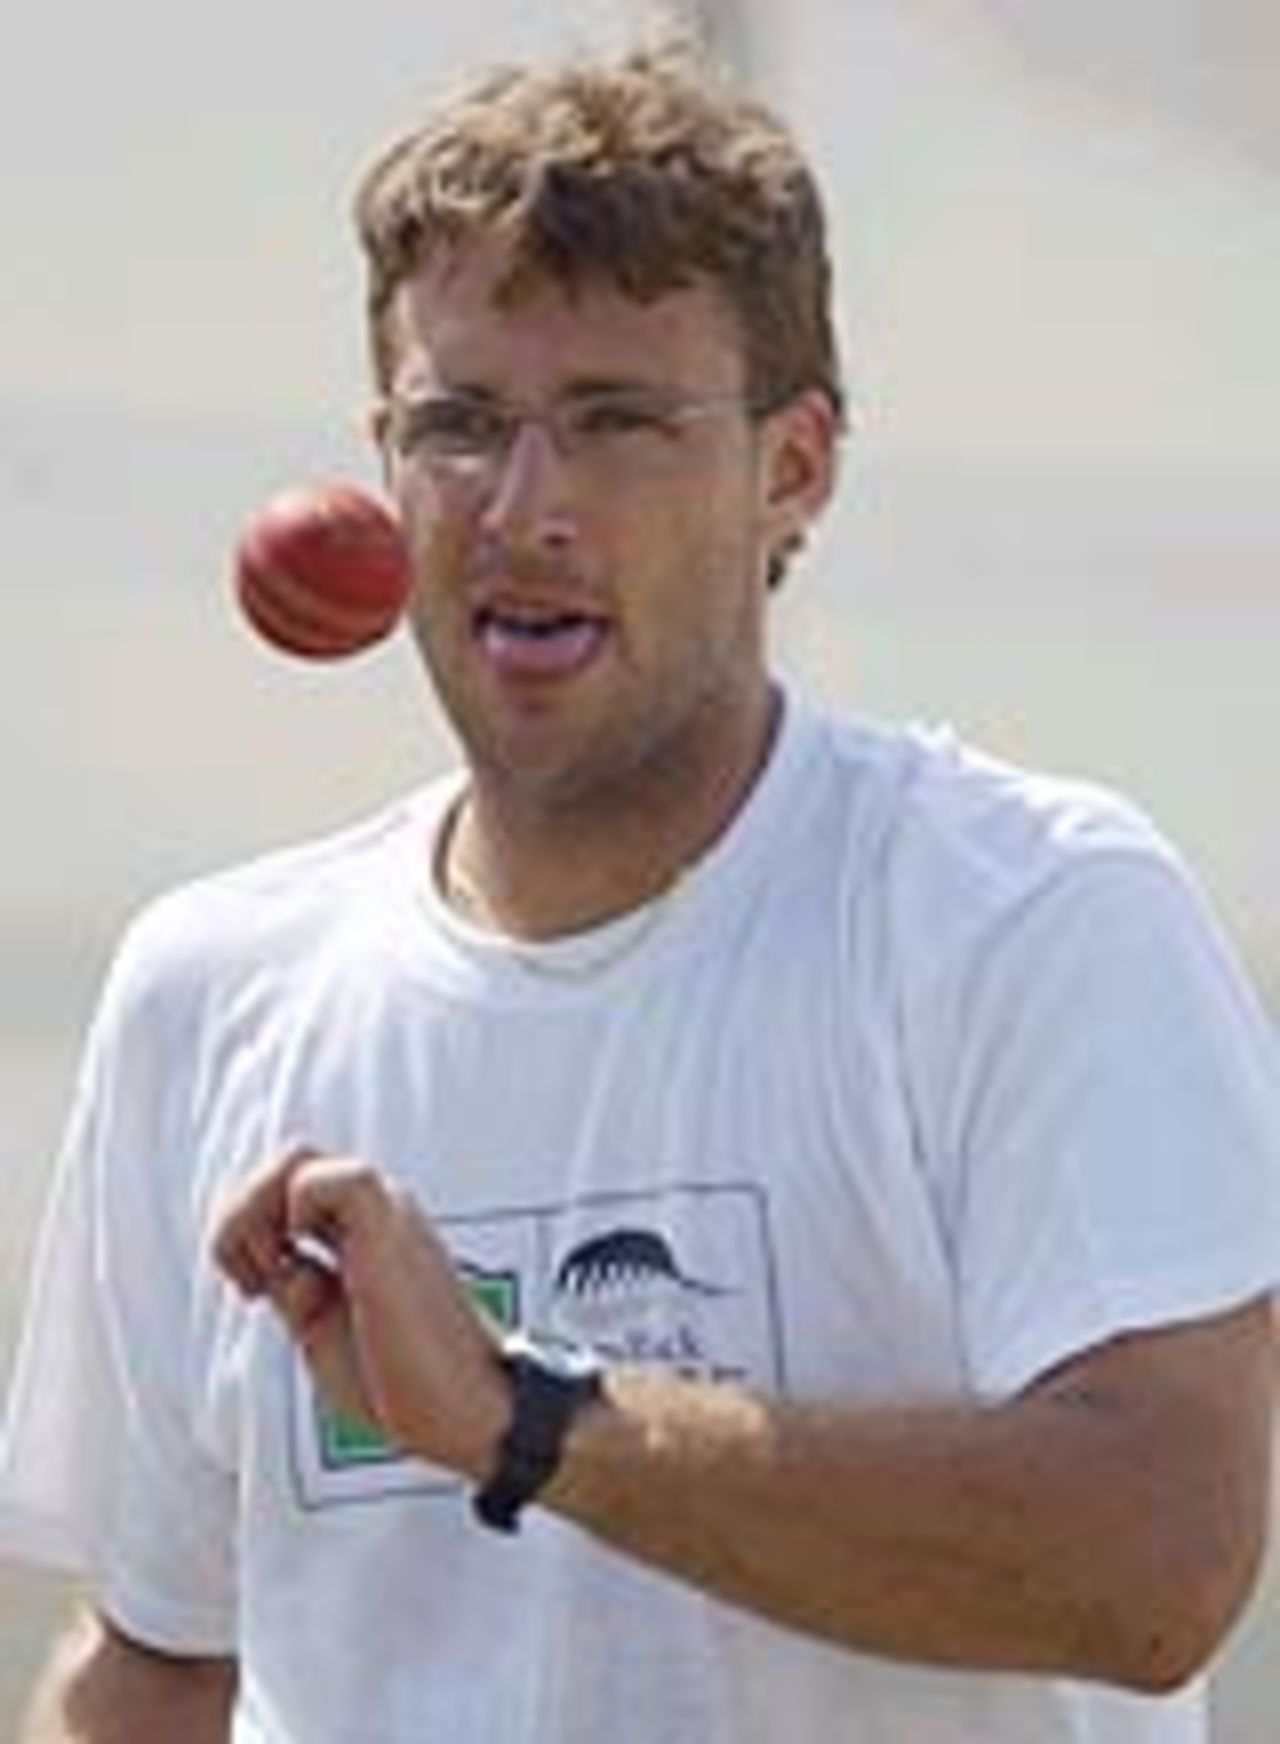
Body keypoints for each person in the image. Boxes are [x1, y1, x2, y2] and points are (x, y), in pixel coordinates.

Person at [2, 40, 1277, 1744]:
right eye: (459, 427)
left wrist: (533, 1423)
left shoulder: (1025, 914)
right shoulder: (212, 990)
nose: (526, 509)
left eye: (617, 422)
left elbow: (1157, 1561)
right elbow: (156, 1667)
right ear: (382, 463)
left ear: (795, 469)